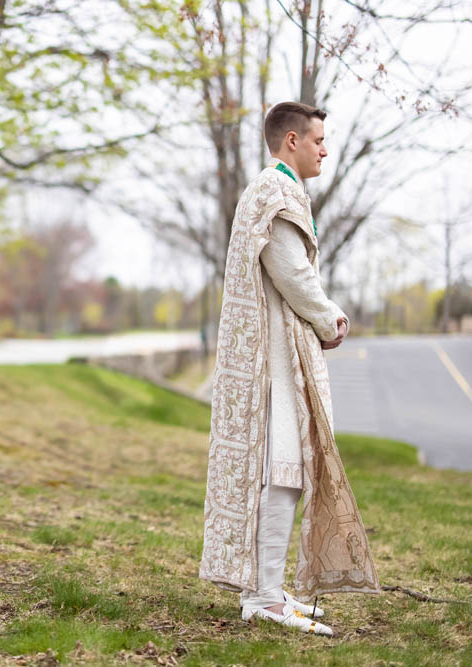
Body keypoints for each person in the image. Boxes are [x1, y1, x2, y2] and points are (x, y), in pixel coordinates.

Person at [199, 102, 379, 636]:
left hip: (279, 352)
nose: (326, 150)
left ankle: (269, 593)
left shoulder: (275, 190)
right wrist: (332, 319)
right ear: (292, 140)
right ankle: (263, 598)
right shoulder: (274, 192)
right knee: (282, 470)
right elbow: (291, 273)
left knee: (287, 471)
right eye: (319, 140)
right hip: (271, 360)